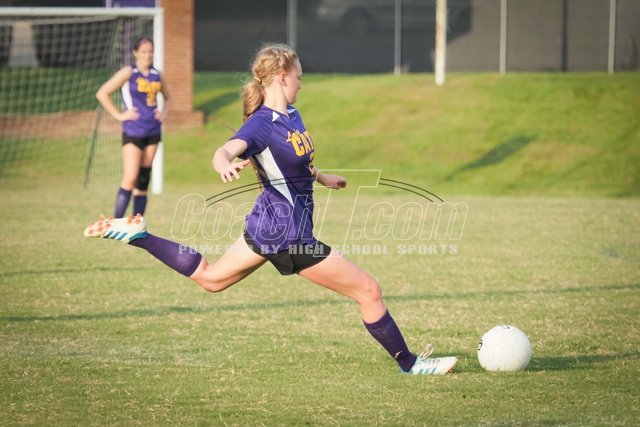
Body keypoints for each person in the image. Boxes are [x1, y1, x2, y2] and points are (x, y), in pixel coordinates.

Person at [84, 44, 457, 375]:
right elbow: (225, 150)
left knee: (212, 279)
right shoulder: (261, 123)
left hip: (269, 225)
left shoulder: (292, 114)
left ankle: (140, 236)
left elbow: (296, 162)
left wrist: (322, 176)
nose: (301, 84)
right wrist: (223, 164)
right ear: (282, 77)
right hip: (287, 234)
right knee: (369, 290)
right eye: (298, 77)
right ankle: (411, 364)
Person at [96, 36, 171, 218]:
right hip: (133, 131)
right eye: (144, 51)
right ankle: (115, 222)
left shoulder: (157, 74)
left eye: (150, 51)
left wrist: (163, 114)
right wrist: (119, 115)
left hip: (153, 131)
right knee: (130, 178)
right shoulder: (129, 72)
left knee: (143, 181)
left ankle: (136, 225)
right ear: (136, 53)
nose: (148, 55)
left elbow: (168, 98)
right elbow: (102, 93)